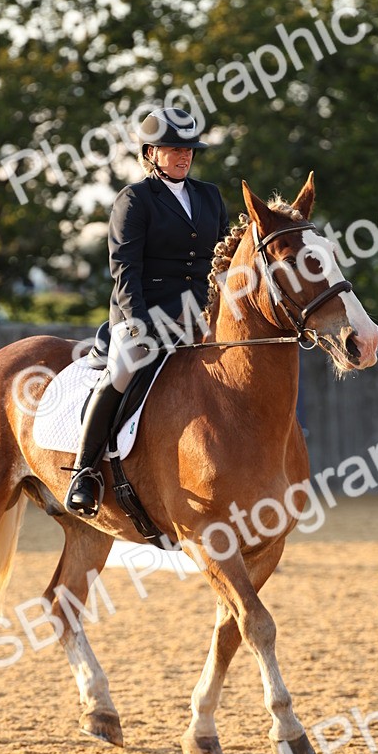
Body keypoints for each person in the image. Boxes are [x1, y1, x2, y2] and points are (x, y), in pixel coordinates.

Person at [65, 107, 229, 517]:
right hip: (145, 314)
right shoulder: (135, 200)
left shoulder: (209, 195)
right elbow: (125, 269)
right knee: (122, 372)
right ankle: (84, 472)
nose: (184, 156)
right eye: (174, 148)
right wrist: (136, 323)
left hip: (202, 315)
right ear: (150, 153)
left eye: (189, 149)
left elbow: (223, 258)